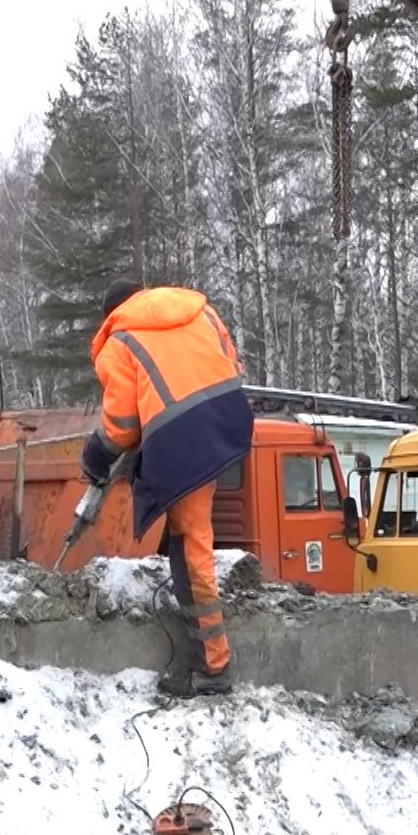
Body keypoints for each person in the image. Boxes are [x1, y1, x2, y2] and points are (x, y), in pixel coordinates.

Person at [80, 279, 253, 696]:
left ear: (111, 314)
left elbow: (121, 427)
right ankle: (208, 661)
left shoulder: (118, 342)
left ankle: (214, 669)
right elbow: (227, 364)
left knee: (192, 550)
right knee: (188, 539)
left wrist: (94, 457)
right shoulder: (201, 311)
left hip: (182, 442)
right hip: (228, 421)